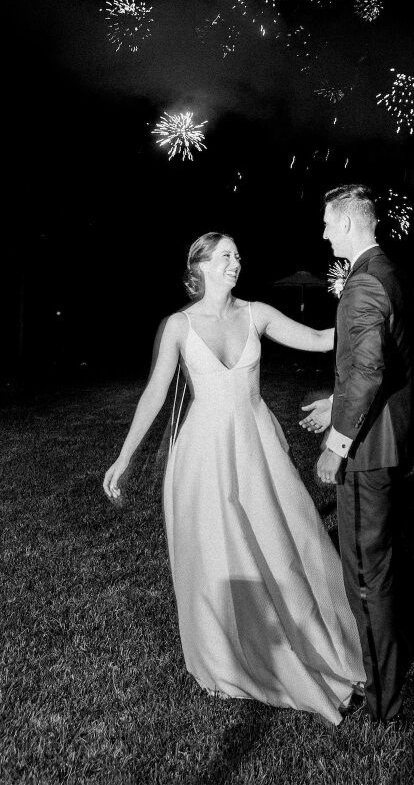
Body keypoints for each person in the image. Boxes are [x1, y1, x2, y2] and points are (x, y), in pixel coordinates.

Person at [102, 232, 364, 725]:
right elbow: (154, 396)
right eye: (225, 256)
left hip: (255, 447)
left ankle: (309, 639)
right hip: (201, 455)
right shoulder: (179, 326)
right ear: (198, 264)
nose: (235, 263)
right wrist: (124, 457)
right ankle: (224, 655)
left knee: (285, 544)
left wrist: (359, 305)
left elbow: (320, 340)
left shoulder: (256, 313)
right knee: (216, 554)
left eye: (239, 256)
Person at [299, 184, 414, 727]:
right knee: (389, 560)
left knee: (367, 577)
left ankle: (385, 706)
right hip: (388, 434)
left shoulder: (363, 281)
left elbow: (368, 371)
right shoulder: (387, 269)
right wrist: (335, 400)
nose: (322, 232)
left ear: (347, 224)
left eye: (327, 222)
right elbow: (376, 363)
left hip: (368, 450)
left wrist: (335, 444)